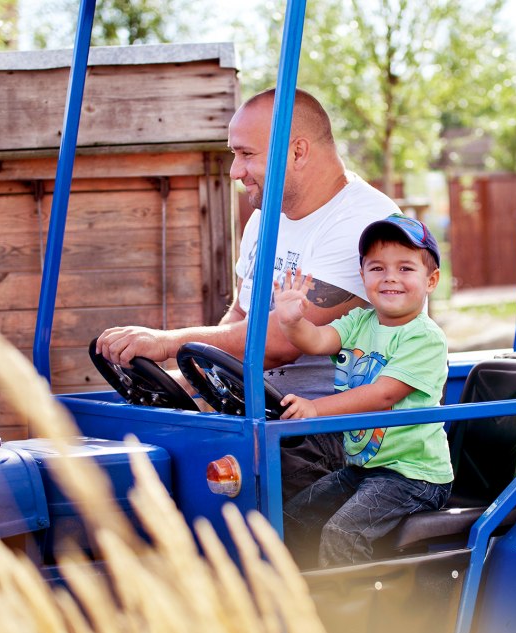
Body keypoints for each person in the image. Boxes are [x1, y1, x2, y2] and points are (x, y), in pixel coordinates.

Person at [95, 88, 399, 498]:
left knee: (227, 482)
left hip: (344, 434)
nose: (235, 171)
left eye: (246, 154)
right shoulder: (263, 219)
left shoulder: (366, 225)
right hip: (269, 416)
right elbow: (240, 317)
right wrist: (188, 380)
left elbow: (278, 342)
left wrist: (167, 342)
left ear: (298, 151)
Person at [273, 214, 453, 568]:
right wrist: (292, 321)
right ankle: (297, 607)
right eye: (377, 268)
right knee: (290, 519)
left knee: (344, 533)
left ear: (430, 280)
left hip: (413, 475)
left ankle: (346, 622)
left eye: (405, 268)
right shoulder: (360, 321)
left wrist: (316, 408)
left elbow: (383, 395)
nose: (390, 278)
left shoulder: (424, 336)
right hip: (363, 469)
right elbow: (317, 339)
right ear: (363, 276)